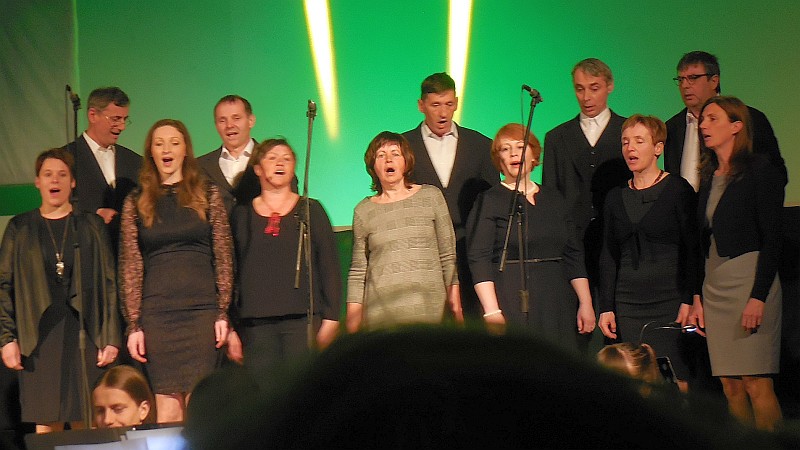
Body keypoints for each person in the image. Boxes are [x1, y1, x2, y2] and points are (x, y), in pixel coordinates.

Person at [119, 119, 233, 423]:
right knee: (168, 411)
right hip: (158, 316)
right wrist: (134, 324)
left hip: (201, 312)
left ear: (185, 150)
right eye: (159, 144)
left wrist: (222, 312)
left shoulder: (208, 194)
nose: (166, 149)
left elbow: (223, 255)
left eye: (174, 142)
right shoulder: (136, 201)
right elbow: (131, 264)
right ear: (151, 152)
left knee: (201, 409)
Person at [0, 148, 120, 433]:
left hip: (85, 332)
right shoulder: (20, 227)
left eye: (62, 174)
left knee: (86, 421)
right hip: (38, 335)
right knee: (46, 421)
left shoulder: (90, 225)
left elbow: (109, 282)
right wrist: (6, 338)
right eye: (48, 174)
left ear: (73, 182)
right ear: (37, 181)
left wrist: (111, 337)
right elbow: (4, 285)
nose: (55, 180)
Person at [688, 96, 784, 431]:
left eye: (712, 119)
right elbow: (701, 241)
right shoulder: (709, 176)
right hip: (715, 286)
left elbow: (773, 239)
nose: (703, 126)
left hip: (749, 282)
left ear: (736, 126)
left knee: (756, 382)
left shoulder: (760, 170)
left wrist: (758, 296)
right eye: (702, 120)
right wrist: (698, 296)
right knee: (730, 386)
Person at [466, 124, 594, 350]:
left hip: (556, 298)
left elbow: (573, 253)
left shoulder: (554, 198)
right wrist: (491, 310)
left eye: (520, 147)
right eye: (505, 149)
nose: (513, 154)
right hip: (511, 296)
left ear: (534, 155)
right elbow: (479, 258)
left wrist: (585, 302)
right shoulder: (489, 200)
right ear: (499, 160)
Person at [597, 115, 699, 392]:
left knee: (674, 376)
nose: (630, 148)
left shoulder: (677, 189)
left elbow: (693, 249)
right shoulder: (615, 197)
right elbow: (608, 254)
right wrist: (606, 306)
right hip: (628, 303)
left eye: (639, 141)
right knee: (634, 379)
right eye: (625, 142)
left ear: (658, 148)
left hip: (669, 300)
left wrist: (689, 298)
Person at [229, 138, 341, 376]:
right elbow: (231, 272)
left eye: (286, 159)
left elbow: (329, 266)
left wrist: (331, 318)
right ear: (258, 168)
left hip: (302, 323)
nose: (280, 163)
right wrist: (230, 328)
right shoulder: (241, 215)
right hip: (255, 326)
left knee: (301, 389)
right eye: (272, 158)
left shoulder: (311, 210)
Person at [542, 59, 630, 337]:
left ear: (609, 86)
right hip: (573, 245)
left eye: (594, 88)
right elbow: (551, 196)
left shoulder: (627, 132)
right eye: (579, 89)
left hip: (618, 244)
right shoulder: (557, 137)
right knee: (576, 331)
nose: (586, 97)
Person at [402, 72, 499, 321]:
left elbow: (492, 199)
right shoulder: (403, 147)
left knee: (472, 324)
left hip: (470, 251)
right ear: (421, 106)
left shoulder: (481, 145)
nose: (443, 113)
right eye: (435, 105)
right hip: (422, 251)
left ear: (456, 103)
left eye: (448, 104)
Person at [347, 131, 461, 331]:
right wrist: (352, 325)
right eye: (381, 155)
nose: (388, 159)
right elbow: (358, 271)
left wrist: (455, 306)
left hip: (431, 314)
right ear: (373, 166)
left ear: (406, 161)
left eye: (395, 153)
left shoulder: (431, 197)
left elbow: (448, 256)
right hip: (382, 319)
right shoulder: (363, 211)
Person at [664, 51, 786, 191]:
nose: (685, 85)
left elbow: (775, 175)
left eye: (693, 78)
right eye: (681, 79)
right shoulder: (672, 127)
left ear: (714, 81)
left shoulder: (749, 118)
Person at [63, 87, 142, 250]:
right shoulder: (65, 158)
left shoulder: (135, 161)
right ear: (93, 115)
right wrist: (93, 216)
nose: (122, 126)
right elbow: (55, 207)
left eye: (125, 119)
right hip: (84, 251)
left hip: (124, 253)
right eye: (115, 119)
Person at [198, 95, 264, 215]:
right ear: (216, 125)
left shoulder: (270, 160)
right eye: (222, 120)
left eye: (236, 118)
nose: (229, 125)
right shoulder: (199, 166)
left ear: (251, 121)